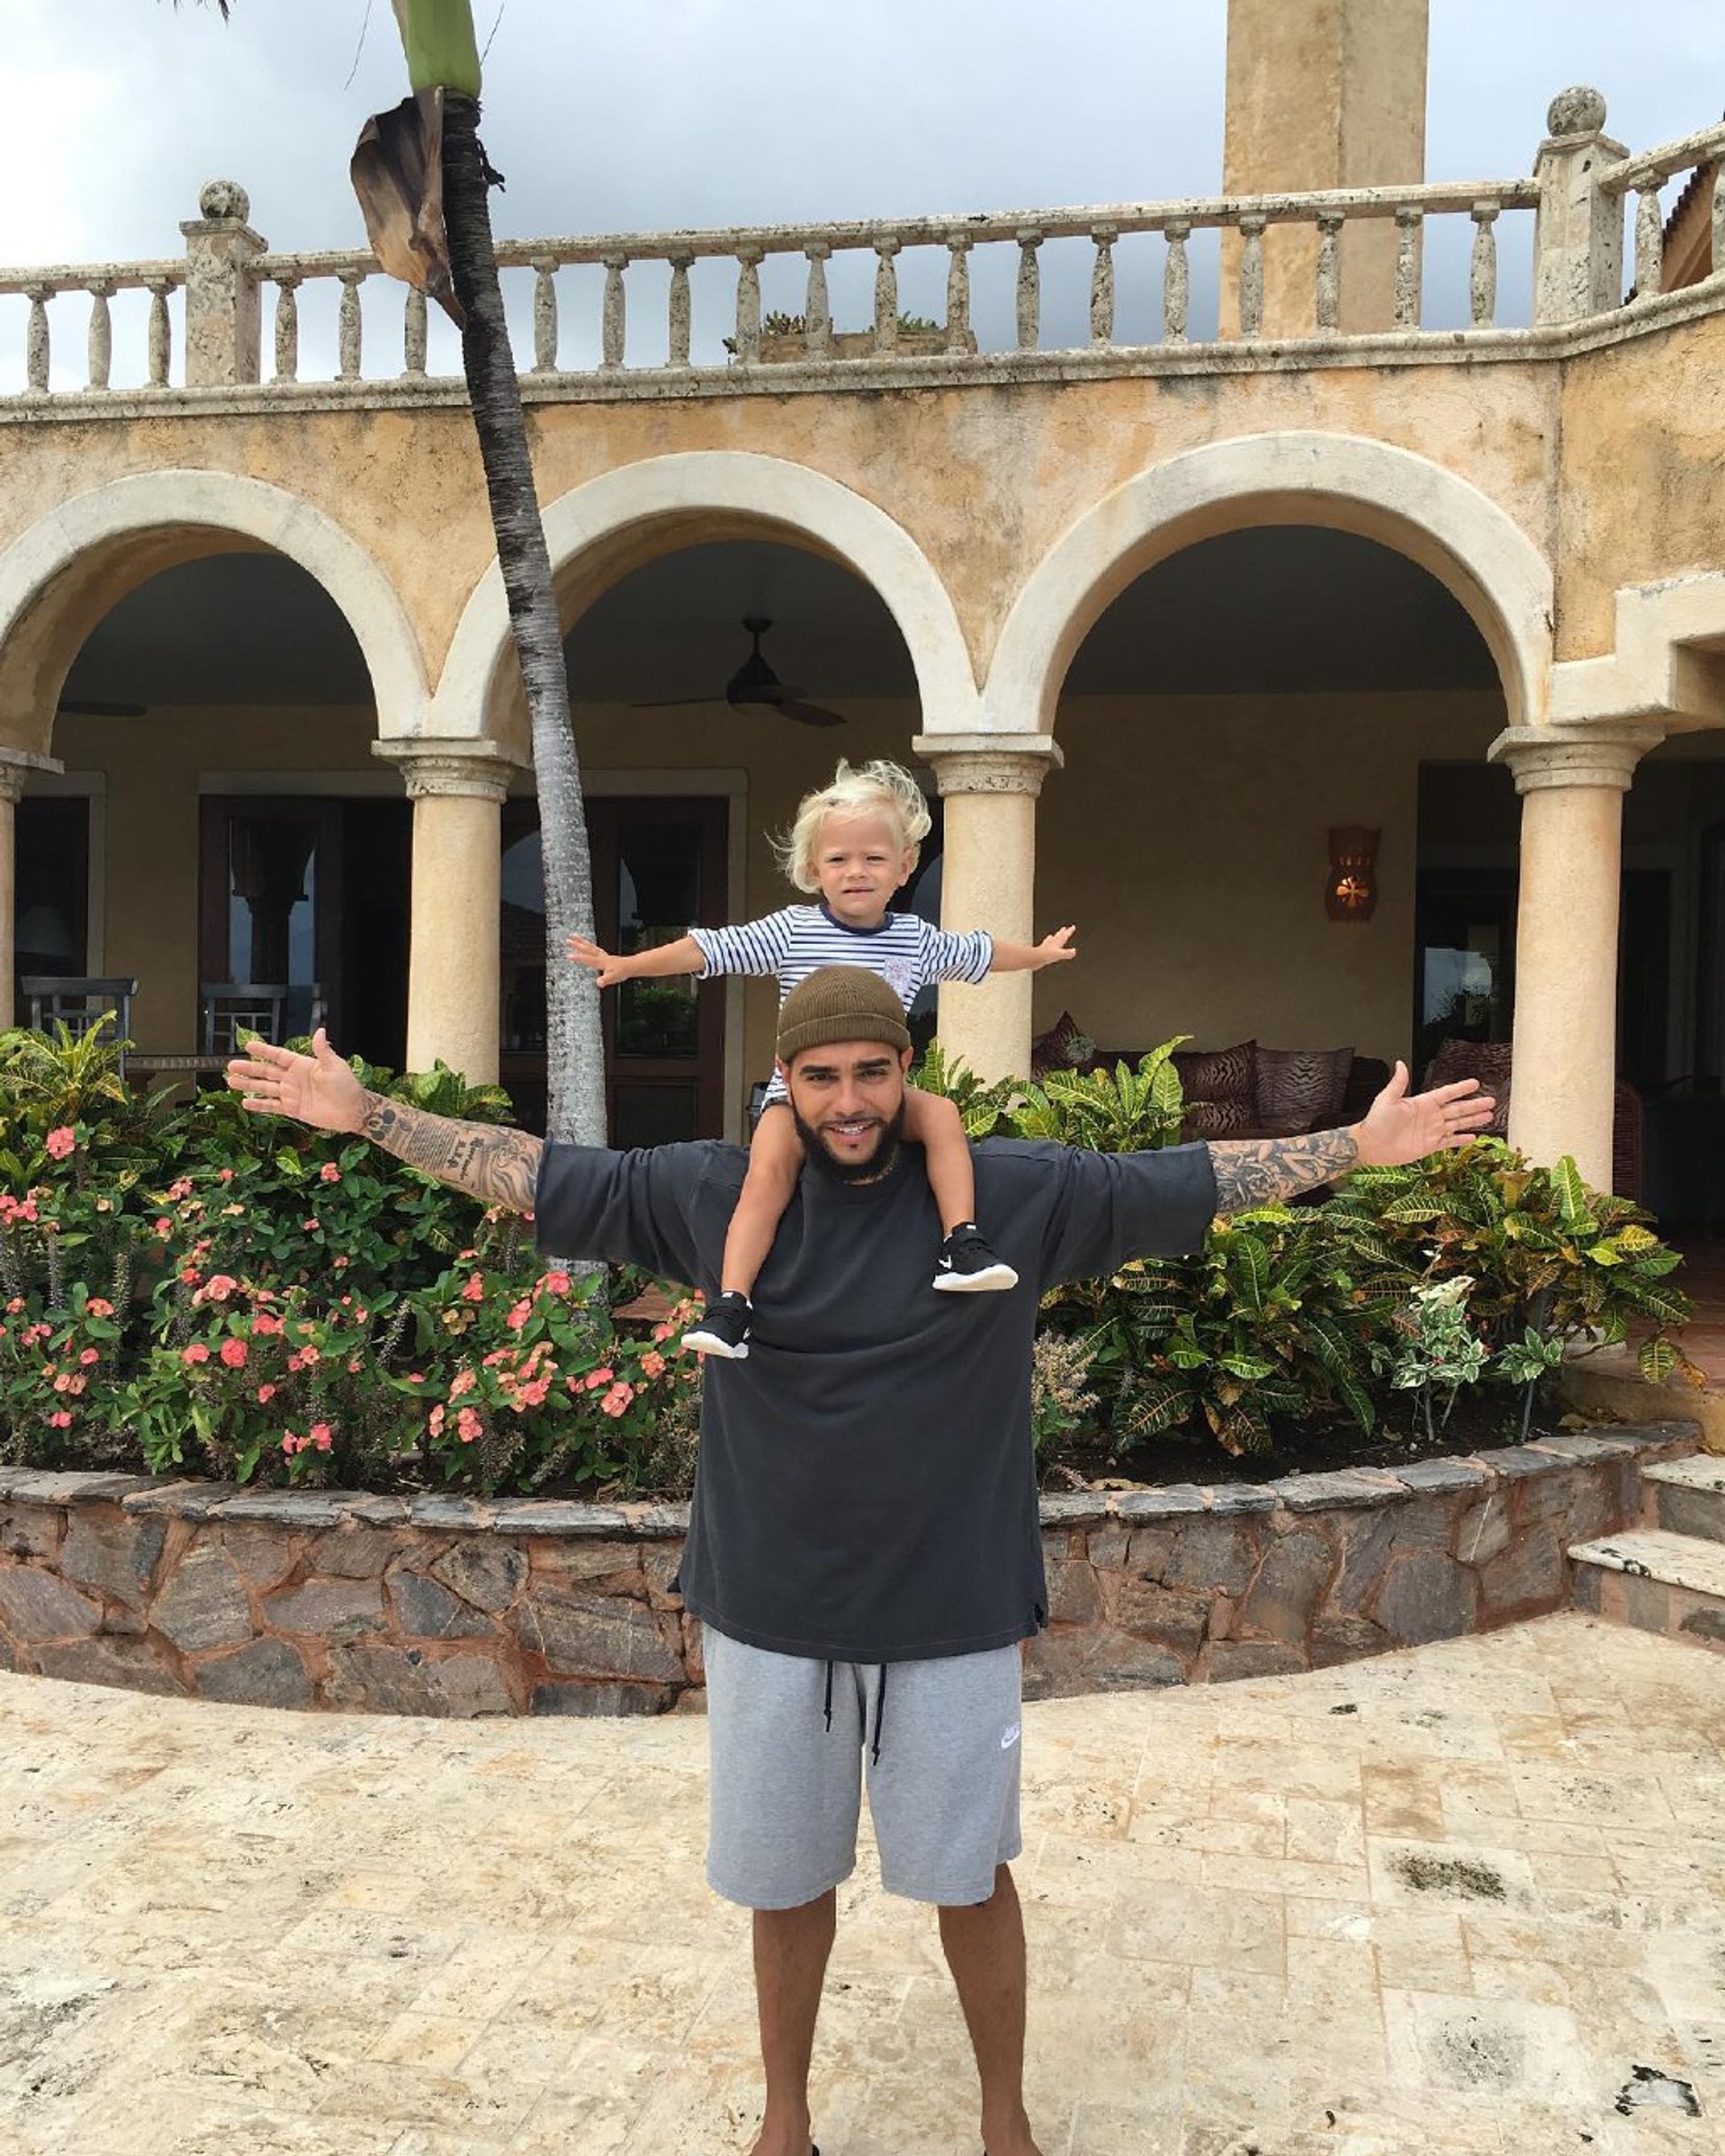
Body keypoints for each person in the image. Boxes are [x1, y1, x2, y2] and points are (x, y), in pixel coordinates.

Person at [225, 967, 1493, 2156]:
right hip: (773, 1603)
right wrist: (369, 1113)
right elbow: (536, 1171)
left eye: (872, 1072)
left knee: (969, 1876)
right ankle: (786, 2120)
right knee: (784, 1882)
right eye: (821, 1075)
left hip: (952, 1603)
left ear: (907, 1071)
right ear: (784, 1081)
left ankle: (1004, 2122)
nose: (849, 1100)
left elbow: (1187, 1178)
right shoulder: (714, 1190)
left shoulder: (1007, 1191)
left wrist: (1354, 1146)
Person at [567, 757, 1077, 1360]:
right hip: (798, 1101)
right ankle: (732, 1303)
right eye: (838, 860)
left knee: (941, 1114)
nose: (856, 871)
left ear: (905, 866)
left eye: (874, 858)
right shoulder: (793, 931)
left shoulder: (915, 939)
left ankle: (961, 1243)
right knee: (766, 1173)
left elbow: (981, 953)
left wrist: (1037, 956)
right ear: (814, 870)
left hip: (881, 1099)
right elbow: (710, 949)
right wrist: (628, 964)